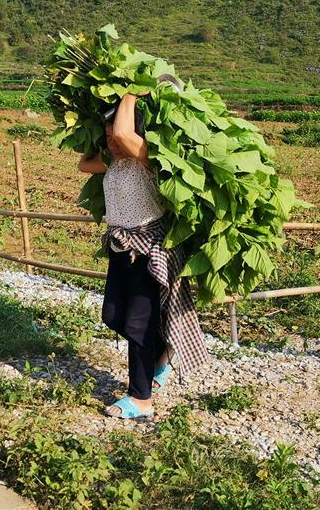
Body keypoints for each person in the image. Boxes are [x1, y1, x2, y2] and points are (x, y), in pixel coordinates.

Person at [78, 91, 209, 419]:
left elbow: (126, 133)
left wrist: (130, 93)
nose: (112, 142)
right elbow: (83, 164)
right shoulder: (114, 161)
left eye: (116, 136)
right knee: (112, 316)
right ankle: (162, 353)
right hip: (121, 247)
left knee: (138, 324)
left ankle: (141, 399)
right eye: (107, 137)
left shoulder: (148, 158)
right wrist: (95, 127)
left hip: (150, 250)